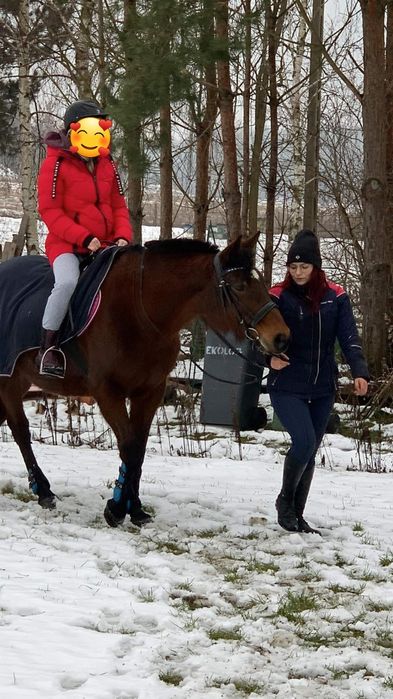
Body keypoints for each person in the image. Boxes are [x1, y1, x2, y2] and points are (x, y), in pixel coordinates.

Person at [267, 229, 369, 534]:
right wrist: (267, 359)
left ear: (316, 267)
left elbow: (348, 336)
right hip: (286, 383)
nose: (298, 273)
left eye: (304, 267)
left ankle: (297, 515)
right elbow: (256, 337)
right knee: (305, 441)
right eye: (293, 267)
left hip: (323, 386)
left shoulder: (335, 296)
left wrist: (359, 371)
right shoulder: (276, 295)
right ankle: (285, 502)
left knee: (311, 448)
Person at [36, 100, 133, 378]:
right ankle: (48, 347)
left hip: (107, 245)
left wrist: (123, 236)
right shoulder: (54, 165)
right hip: (67, 246)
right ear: (72, 131)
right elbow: (50, 211)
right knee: (67, 283)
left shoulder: (107, 165)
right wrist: (84, 237)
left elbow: (118, 206)